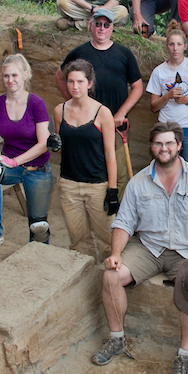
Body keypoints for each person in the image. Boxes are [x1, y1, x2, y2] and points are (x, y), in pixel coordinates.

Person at [93, 122, 188, 374]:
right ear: (152, 146)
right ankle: (116, 338)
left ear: (179, 146)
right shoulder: (138, 182)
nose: (164, 148)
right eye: (159, 143)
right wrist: (115, 253)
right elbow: (123, 223)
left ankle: (183, 356)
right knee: (111, 275)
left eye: (170, 143)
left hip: (186, 251)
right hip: (149, 247)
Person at [56, 8, 144, 192]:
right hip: (88, 127)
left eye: (106, 25)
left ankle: (117, 211)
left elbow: (137, 87)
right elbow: (60, 77)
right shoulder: (79, 53)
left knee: (119, 175)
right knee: (92, 169)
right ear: (91, 26)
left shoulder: (124, 53)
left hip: (116, 125)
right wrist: (73, 101)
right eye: (98, 24)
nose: (102, 28)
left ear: (112, 28)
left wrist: (121, 113)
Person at [0, 54, 52, 255]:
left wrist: (15, 161)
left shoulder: (36, 103)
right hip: (9, 166)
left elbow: (44, 144)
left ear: (25, 75)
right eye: (6, 76)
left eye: (14, 75)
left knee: (38, 225)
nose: (10, 80)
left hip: (36, 167)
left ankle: (38, 255)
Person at [54, 60, 119, 261]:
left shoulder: (103, 113)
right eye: (71, 82)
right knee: (78, 240)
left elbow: (110, 153)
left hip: (97, 185)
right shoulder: (60, 111)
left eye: (80, 82)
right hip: (69, 183)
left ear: (89, 83)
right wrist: (53, 145)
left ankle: (109, 278)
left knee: (107, 239)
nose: (75, 87)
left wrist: (113, 190)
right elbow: (60, 148)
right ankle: (85, 278)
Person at [147, 20, 188, 166]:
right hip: (165, 126)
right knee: (164, 167)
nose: (175, 49)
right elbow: (153, 106)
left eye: (179, 44)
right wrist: (168, 96)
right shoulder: (159, 71)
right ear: (167, 46)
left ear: (185, 47)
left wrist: (187, 100)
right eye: (171, 44)